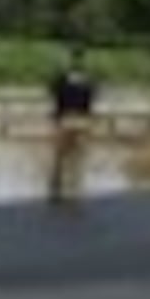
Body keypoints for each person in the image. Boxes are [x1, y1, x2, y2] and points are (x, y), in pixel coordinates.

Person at [47, 47, 99, 205]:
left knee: (60, 157)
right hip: (83, 121)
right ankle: (76, 192)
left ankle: (57, 191)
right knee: (78, 159)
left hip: (65, 120)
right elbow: (93, 98)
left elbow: (52, 92)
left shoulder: (61, 80)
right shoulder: (89, 81)